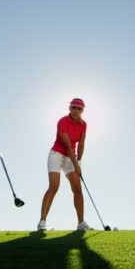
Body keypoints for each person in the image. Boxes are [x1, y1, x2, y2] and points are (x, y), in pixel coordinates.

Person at [38, 98, 90, 231]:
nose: (76, 110)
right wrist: (76, 165)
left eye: (79, 108)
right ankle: (42, 222)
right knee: (54, 186)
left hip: (70, 159)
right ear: (69, 108)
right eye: (73, 107)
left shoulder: (83, 124)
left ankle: (81, 223)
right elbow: (67, 146)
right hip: (56, 155)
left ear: (82, 111)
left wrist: (79, 162)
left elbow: (81, 144)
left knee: (77, 189)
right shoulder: (62, 121)